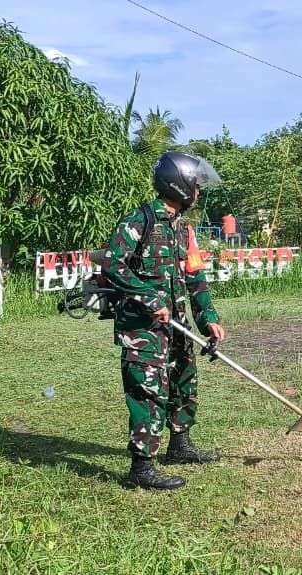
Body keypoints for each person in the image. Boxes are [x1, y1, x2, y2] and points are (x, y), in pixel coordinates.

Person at [105, 151, 227, 491]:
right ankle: (142, 468)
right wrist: (149, 298)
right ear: (180, 184)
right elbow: (114, 265)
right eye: (197, 186)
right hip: (142, 328)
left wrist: (208, 319)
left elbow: (195, 277)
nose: (199, 192)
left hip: (176, 324)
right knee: (148, 392)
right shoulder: (139, 221)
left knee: (183, 381)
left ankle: (180, 446)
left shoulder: (183, 230)